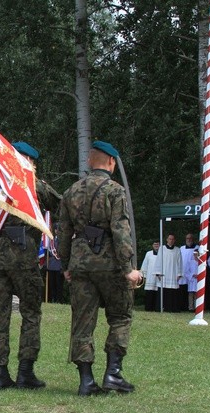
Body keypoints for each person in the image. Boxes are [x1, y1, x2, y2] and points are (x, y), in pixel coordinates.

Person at [58, 140, 141, 397]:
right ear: (111, 162)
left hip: (80, 264)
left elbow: (63, 232)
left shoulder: (71, 192)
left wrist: (65, 264)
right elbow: (121, 231)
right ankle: (113, 374)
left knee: (82, 322)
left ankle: (86, 381)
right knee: (120, 317)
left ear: (89, 161)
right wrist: (129, 268)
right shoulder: (115, 191)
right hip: (110, 264)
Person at [0, 141, 61, 390]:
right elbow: (59, 204)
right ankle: (25, 372)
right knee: (30, 314)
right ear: (29, 162)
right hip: (23, 258)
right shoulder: (33, 185)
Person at [153, 234, 182, 312]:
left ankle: (172, 308)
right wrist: (158, 272)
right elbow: (158, 260)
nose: (171, 240)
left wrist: (179, 273)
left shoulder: (177, 250)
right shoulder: (162, 248)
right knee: (163, 290)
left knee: (172, 291)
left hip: (173, 272)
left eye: (172, 239)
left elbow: (180, 262)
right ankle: (161, 307)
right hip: (164, 272)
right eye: (170, 239)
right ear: (167, 240)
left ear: (174, 240)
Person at [45, 227, 64, 303]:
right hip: (51, 265)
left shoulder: (63, 240)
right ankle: (53, 299)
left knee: (59, 284)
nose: (57, 231)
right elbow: (48, 252)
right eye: (56, 229)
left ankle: (59, 300)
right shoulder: (50, 240)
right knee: (52, 284)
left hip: (60, 265)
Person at [178, 233, 197, 311]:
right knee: (182, 291)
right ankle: (183, 307)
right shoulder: (181, 248)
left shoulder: (197, 248)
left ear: (193, 239)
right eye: (187, 238)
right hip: (183, 272)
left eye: (190, 238)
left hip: (192, 275)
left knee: (192, 293)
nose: (189, 240)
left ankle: (192, 307)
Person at [140, 241, 160, 312]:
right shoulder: (148, 254)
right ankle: (148, 308)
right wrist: (143, 275)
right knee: (149, 293)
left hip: (158, 277)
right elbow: (145, 265)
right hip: (150, 276)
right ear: (152, 245)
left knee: (157, 293)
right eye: (155, 244)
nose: (156, 245)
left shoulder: (162, 254)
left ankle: (156, 308)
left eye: (157, 244)